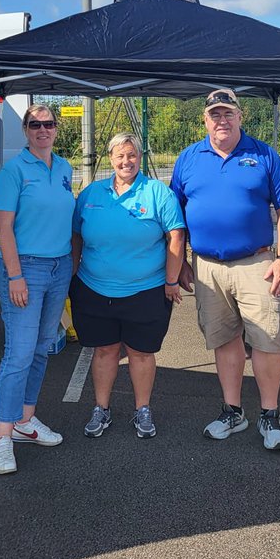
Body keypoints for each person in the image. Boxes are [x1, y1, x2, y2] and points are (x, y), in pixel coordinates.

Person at [170, 88, 280, 451]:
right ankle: (233, 411)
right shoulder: (189, 158)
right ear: (205, 120)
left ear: (240, 116)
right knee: (224, 340)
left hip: (257, 263)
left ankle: (270, 415)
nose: (221, 120)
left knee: (267, 339)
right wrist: (179, 263)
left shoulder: (263, 154)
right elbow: (175, 214)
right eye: (215, 114)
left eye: (228, 113)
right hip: (208, 266)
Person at [71, 132, 186, 439]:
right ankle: (101, 408)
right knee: (105, 351)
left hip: (146, 290)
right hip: (94, 289)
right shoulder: (91, 194)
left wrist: (172, 281)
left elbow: (175, 236)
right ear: (110, 158)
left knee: (141, 353)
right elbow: (76, 238)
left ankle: (143, 410)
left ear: (140, 158)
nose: (126, 161)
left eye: (132, 155)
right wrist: (68, 279)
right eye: (120, 156)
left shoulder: (157, 193)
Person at [0, 104, 75, 476]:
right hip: (26, 268)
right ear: (25, 129)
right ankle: (2, 437)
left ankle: (26, 420)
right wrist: (15, 276)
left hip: (58, 268)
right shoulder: (13, 171)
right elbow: (3, 227)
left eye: (48, 124)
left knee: (42, 348)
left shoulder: (65, 168)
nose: (42, 130)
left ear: (57, 129)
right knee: (19, 353)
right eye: (34, 124)